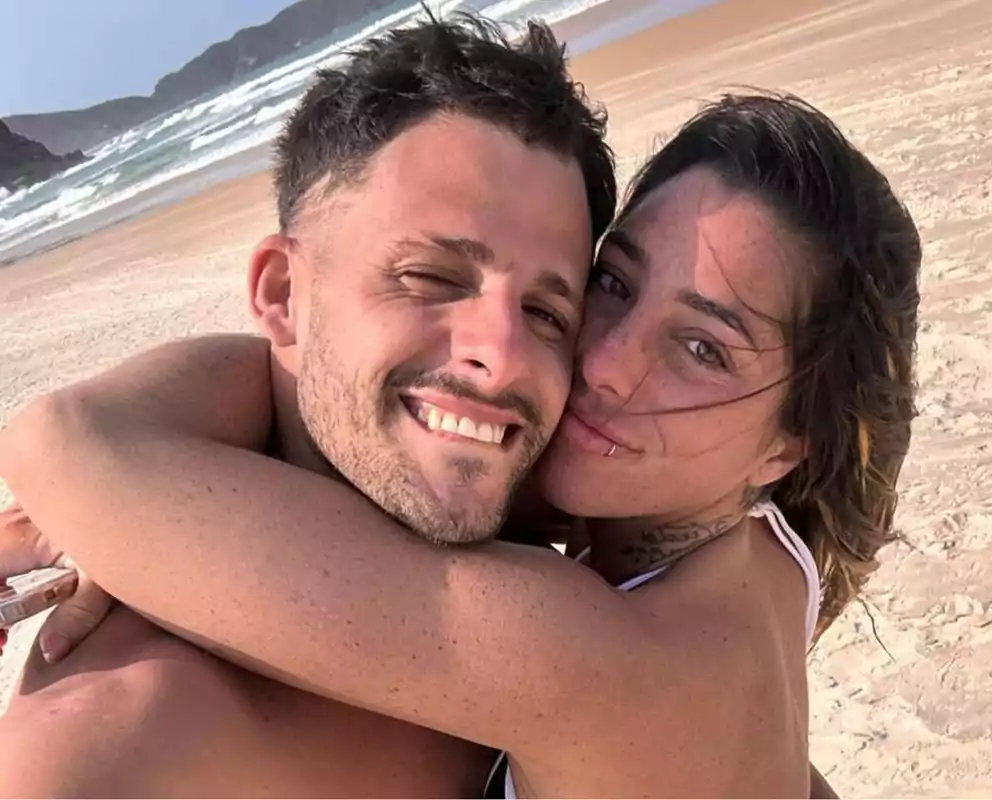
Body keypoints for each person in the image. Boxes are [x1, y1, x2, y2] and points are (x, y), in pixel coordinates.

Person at [1, 91, 920, 796]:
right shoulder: (755, 563)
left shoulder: (606, 657)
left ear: (786, 447)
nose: (603, 362)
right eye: (612, 286)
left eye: (700, 349)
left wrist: (129, 520)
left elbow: (65, 437)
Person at [0, 11, 616, 797]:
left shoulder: (554, 535)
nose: (501, 359)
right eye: (431, 278)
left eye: (547, 315)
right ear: (283, 294)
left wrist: (94, 496)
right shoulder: (126, 743)